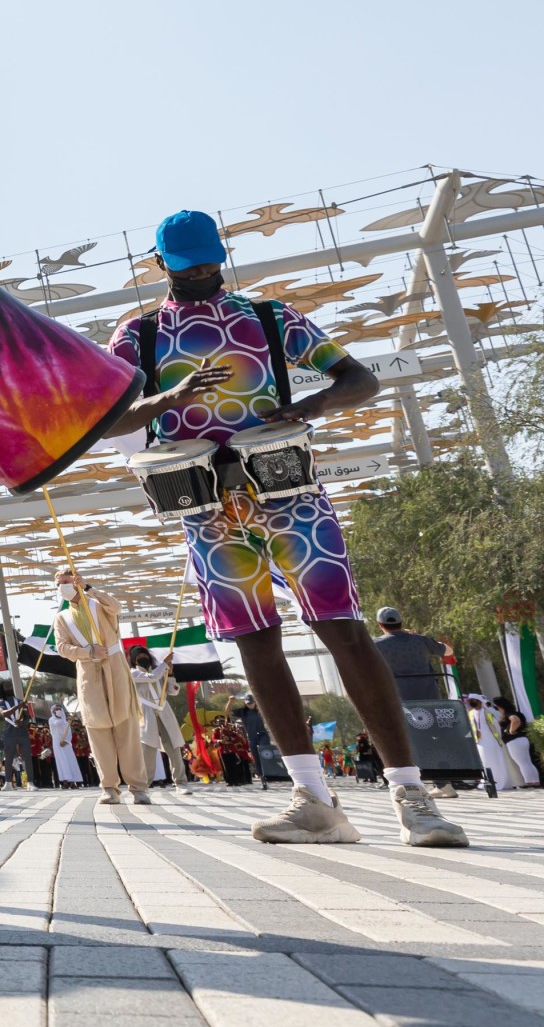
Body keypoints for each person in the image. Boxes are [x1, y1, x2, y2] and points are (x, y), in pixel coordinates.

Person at [103, 210, 464, 847]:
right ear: (160, 267)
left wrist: (309, 406)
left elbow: (359, 378)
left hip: (290, 493)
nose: (202, 276)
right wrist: (169, 398)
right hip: (207, 507)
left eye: (211, 263)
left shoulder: (270, 318)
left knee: (344, 633)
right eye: (188, 268)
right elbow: (107, 418)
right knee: (254, 642)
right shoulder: (140, 335)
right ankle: (312, 801)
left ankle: (412, 796)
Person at [53, 570, 149, 804]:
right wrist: (88, 652)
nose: (61, 587)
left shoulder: (98, 604)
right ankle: (109, 788)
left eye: (65, 582)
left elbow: (116, 607)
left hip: (115, 667)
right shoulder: (62, 618)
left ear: (75, 581)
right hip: (88, 673)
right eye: (58, 584)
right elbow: (62, 648)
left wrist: (88, 588)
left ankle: (138, 788)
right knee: (97, 730)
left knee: (126, 728)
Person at [129, 647, 194, 796]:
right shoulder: (132, 673)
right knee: (148, 749)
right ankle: (143, 785)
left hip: (164, 710)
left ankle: (181, 782)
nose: (142, 656)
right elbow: (150, 677)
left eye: (144, 654)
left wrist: (170, 674)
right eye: (138, 655)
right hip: (146, 711)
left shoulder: (159, 671)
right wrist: (164, 664)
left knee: (174, 746)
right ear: (133, 659)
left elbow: (173, 691)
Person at [372, 607, 452, 702]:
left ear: (379, 624)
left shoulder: (375, 645)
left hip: (399, 703)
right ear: (401, 622)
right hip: (430, 699)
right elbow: (449, 651)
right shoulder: (420, 640)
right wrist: (418, 636)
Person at [495, 697, 541, 788]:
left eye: (496, 706)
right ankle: (535, 781)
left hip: (514, 741)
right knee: (526, 761)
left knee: (522, 762)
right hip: (522, 739)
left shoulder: (509, 714)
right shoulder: (517, 713)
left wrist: (511, 731)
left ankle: (530, 782)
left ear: (500, 706)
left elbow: (515, 720)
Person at [48, 706, 81, 788]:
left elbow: (69, 733)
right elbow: (54, 726)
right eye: (56, 709)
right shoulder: (51, 720)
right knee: (62, 762)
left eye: (59, 709)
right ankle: (65, 781)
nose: (58, 711)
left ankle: (72, 782)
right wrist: (63, 721)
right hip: (57, 743)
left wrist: (66, 741)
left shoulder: (66, 721)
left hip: (66, 743)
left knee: (70, 761)